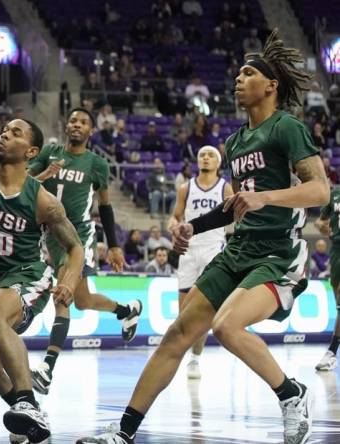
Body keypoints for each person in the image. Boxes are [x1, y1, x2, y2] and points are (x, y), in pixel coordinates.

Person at [77, 29, 322, 444]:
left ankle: (291, 393)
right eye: (237, 74)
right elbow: (236, 205)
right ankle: (123, 432)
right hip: (237, 250)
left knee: (227, 327)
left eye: (248, 73)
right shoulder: (236, 141)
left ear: (271, 85)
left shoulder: (287, 128)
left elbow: (319, 189)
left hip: (279, 254)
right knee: (177, 334)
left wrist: (266, 197)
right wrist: (197, 224)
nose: (238, 80)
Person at [0, 118, 83, 443]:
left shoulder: (42, 200)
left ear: (31, 151)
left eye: (15, 133)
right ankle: (26, 410)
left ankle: (25, 399)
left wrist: (70, 280)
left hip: (28, 273)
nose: (5, 134)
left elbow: (75, 247)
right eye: (5, 129)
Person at [26, 108, 142, 395]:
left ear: (91, 131)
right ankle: (128, 310)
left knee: (62, 296)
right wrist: (45, 174)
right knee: (84, 300)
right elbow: (24, 184)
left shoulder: (97, 164)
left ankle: (47, 368)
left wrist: (114, 245)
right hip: (47, 233)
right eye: (73, 120)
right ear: (67, 126)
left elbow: (104, 206)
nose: (76, 124)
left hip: (77, 235)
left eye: (83, 122)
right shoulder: (49, 152)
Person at [166, 145, 233, 379]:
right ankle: (182, 353)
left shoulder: (226, 188)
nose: (205, 157)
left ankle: (194, 359)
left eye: (210, 155)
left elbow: (234, 216)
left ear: (218, 162)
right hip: (188, 250)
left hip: (213, 249)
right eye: (202, 154)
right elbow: (175, 216)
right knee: (183, 311)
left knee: (203, 309)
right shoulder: (186, 188)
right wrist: (173, 227)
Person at [314, 185, 340, 371]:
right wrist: (322, 226)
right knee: (338, 300)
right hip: (337, 248)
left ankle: (332, 350)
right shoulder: (335, 193)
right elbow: (320, 222)